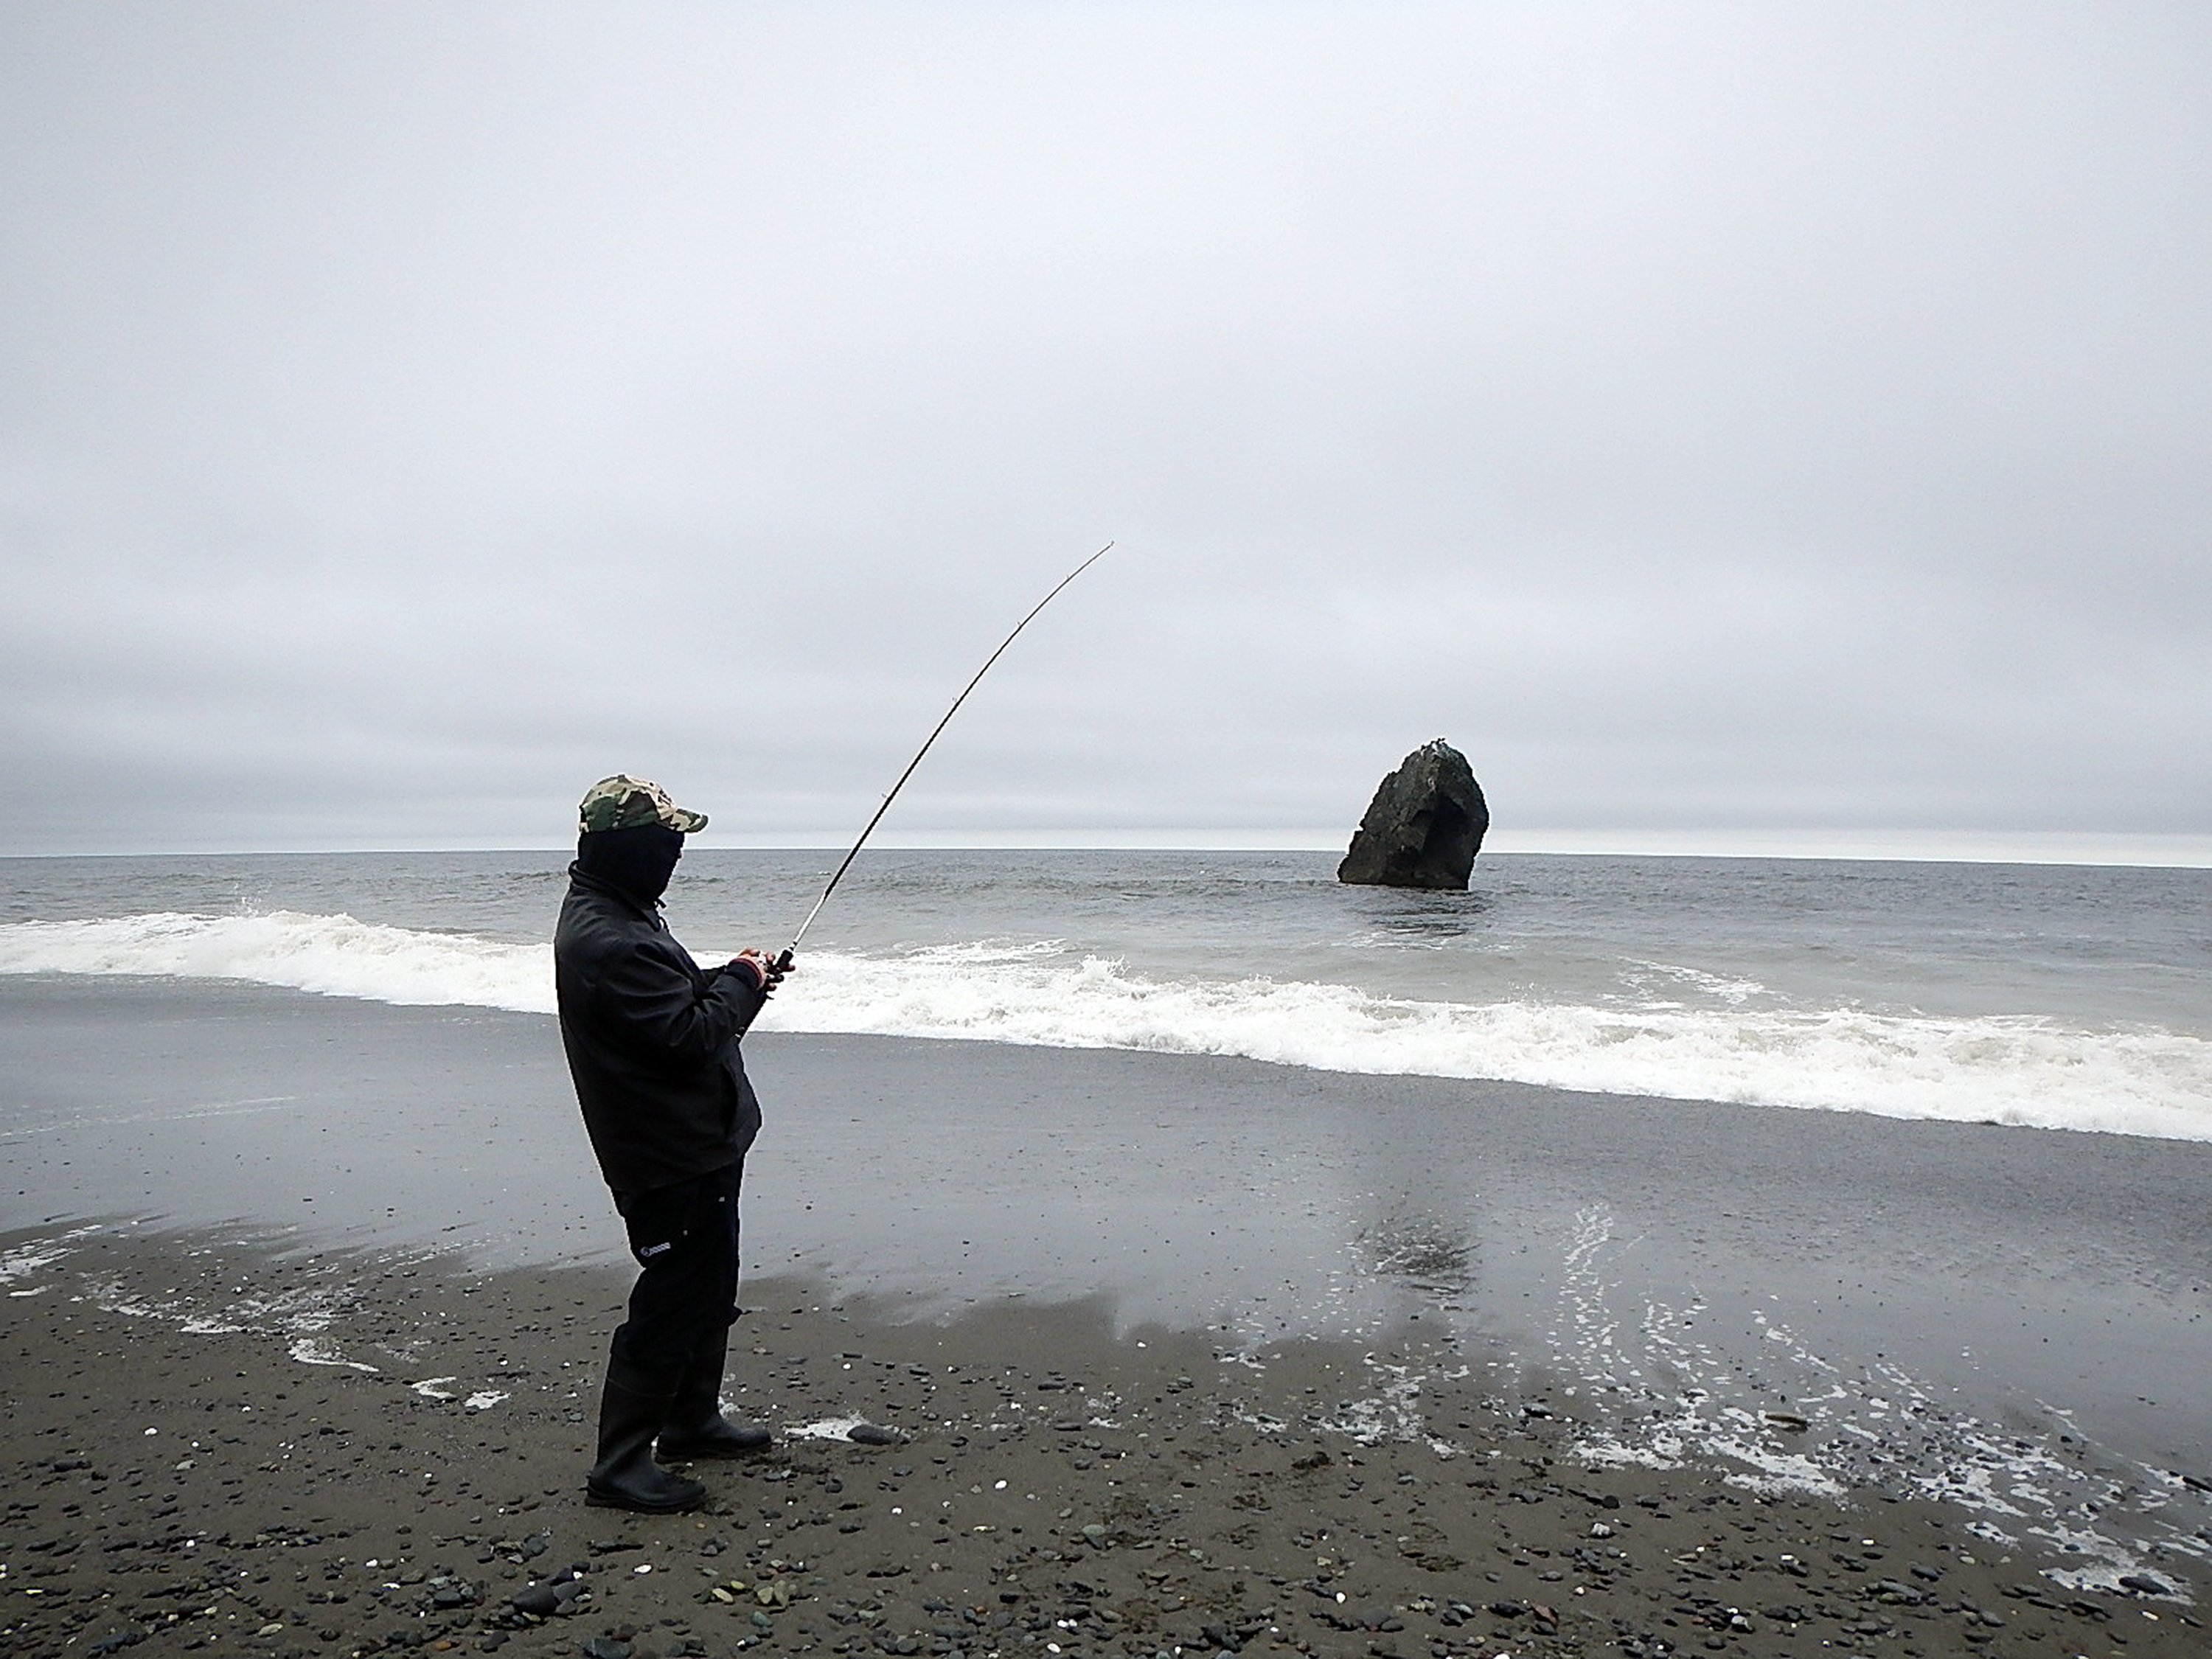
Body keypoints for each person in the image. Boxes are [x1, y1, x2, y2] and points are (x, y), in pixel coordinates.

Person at [553, 774, 790, 1512]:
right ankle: (620, 1465)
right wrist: (741, 984)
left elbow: (672, 1008)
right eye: (666, 844)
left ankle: (691, 1421)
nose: (676, 857)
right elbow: (691, 1038)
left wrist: (739, 979)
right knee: (673, 1298)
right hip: (665, 1154)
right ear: (630, 850)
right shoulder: (611, 938)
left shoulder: (620, 913)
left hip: (696, 1141)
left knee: (709, 1287)